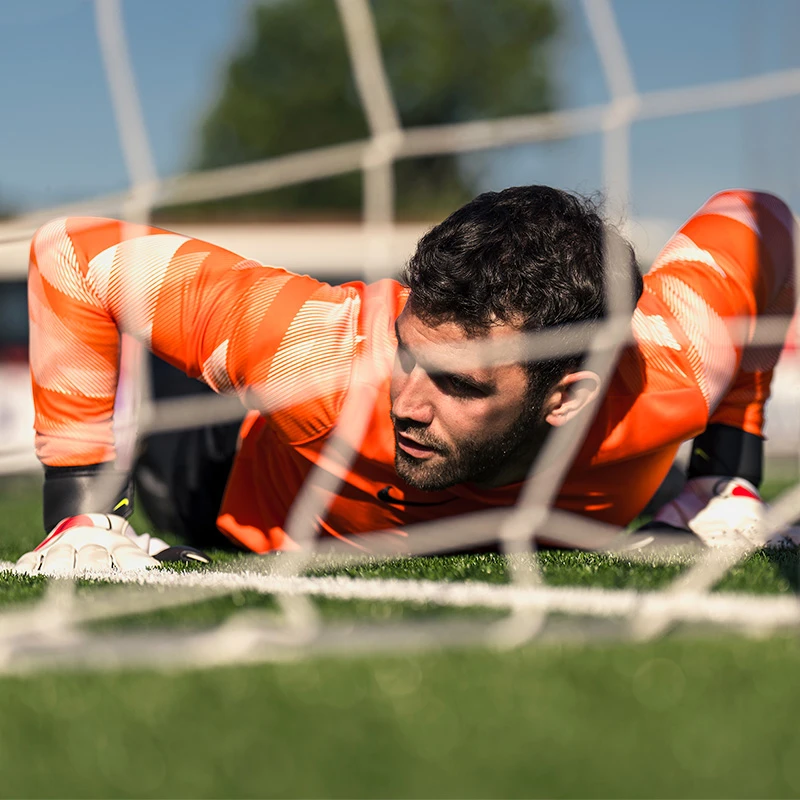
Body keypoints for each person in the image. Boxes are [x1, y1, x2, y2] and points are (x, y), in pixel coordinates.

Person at [16, 186, 796, 573]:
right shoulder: (314, 352)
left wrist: (725, 476)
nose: (408, 404)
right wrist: (79, 513)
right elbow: (69, 252)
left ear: (568, 397)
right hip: (227, 465)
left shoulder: (669, 369)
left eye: (461, 384)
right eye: (408, 354)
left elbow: (761, 217)